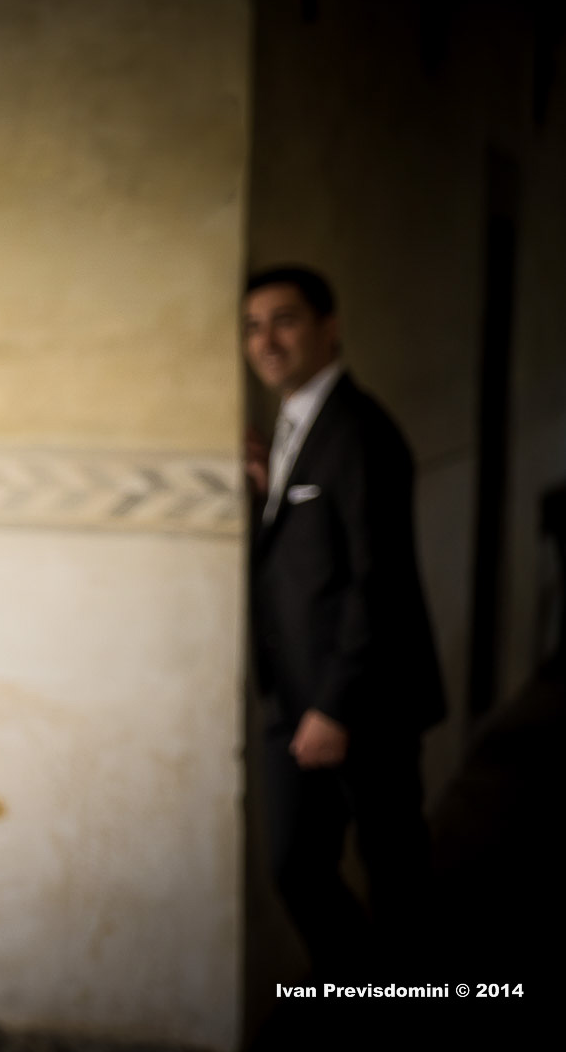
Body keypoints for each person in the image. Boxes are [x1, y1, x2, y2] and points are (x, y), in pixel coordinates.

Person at [242, 265, 445, 980]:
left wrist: (335, 706)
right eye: (253, 326)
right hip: (295, 697)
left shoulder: (360, 431)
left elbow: (376, 581)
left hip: (361, 701)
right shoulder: (296, 425)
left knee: (395, 875)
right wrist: (267, 496)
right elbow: (307, 552)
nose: (266, 341)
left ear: (329, 327)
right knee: (297, 866)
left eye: (285, 320)